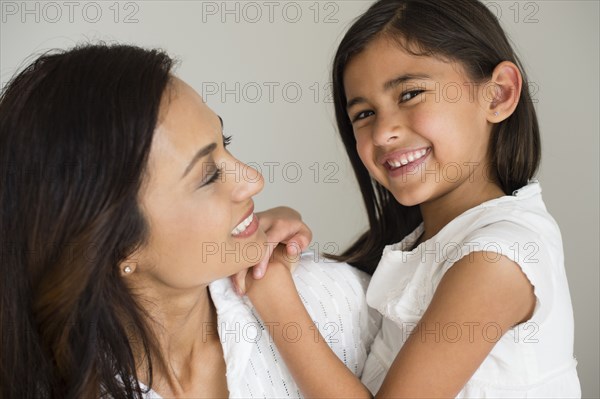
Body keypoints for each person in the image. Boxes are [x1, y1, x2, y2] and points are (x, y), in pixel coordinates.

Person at [0, 44, 380, 398]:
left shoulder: (331, 302)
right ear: (117, 244)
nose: (253, 179)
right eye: (209, 176)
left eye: (225, 141)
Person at [244, 0, 582, 397]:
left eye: (410, 94)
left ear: (498, 95)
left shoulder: (496, 259)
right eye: (364, 114)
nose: (384, 132)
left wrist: (274, 296)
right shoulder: (427, 243)